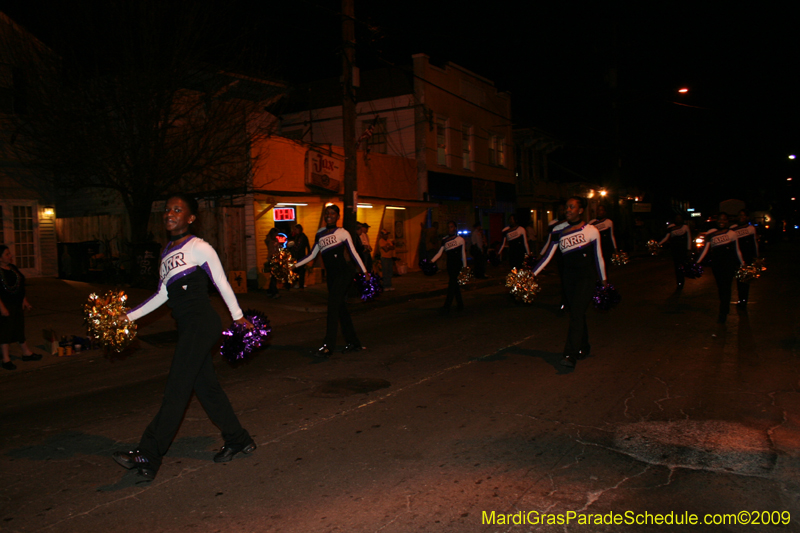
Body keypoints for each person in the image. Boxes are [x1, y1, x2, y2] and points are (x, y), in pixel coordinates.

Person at [113, 194, 256, 481]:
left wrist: (238, 316)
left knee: (177, 388)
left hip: (202, 324)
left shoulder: (199, 247)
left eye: (178, 210)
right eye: (167, 209)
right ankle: (238, 438)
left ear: (190, 218)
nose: (170, 214)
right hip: (188, 328)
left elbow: (221, 281)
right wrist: (126, 317)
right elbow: (162, 294)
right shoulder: (166, 253)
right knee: (206, 389)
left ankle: (148, 454)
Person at [532, 197, 608, 368]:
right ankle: (584, 346)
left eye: (571, 207)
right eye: (566, 207)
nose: (567, 210)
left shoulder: (591, 230)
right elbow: (548, 256)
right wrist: (531, 274)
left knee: (576, 314)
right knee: (577, 313)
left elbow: (598, 256)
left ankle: (570, 354)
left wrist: (603, 279)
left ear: (580, 210)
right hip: (569, 278)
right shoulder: (559, 231)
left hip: (586, 277)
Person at [293, 205, 369, 356]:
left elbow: (353, 252)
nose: (329, 215)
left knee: (332, 307)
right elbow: (312, 255)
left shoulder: (342, 232)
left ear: (337, 216)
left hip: (344, 273)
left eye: (332, 213)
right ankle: (354, 343)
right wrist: (294, 265)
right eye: (327, 213)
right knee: (341, 309)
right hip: (332, 276)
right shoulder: (320, 234)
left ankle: (328, 346)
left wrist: (365, 271)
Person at [695, 212, 744, 324]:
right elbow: (706, 249)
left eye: (724, 220)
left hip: (729, 264)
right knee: (721, 288)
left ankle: (723, 312)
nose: (722, 222)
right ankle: (723, 308)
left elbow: (737, 250)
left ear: (727, 221)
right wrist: (697, 262)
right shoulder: (711, 233)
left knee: (726, 288)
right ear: (717, 221)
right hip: (717, 265)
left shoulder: (732, 233)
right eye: (720, 220)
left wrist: (742, 263)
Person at [0, 245, 43, 371]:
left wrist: (24, 300)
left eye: (9, 254)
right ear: (0, 258)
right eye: (7, 254)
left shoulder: (12, 268)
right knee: (5, 331)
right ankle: (6, 359)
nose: (10, 256)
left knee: (18, 328)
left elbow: (20, 285)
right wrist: (2, 308)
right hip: (5, 305)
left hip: (16, 304)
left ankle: (26, 353)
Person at [431, 221, 467, 313]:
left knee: (452, 284)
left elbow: (463, 254)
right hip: (450, 264)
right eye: (448, 227)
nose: (449, 228)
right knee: (455, 285)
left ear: (455, 228)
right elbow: (440, 253)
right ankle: (460, 304)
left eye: (451, 227)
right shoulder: (445, 240)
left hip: (457, 264)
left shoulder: (460, 239)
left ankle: (447, 306)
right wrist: (431, 261)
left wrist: (465, 267)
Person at [658, 213, 692, 291]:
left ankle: (684, 276)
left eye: (680, 218)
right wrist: (658, 244)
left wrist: (689, 249)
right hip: (675, 249)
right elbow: (666, 237)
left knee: (683, 264)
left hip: (683, 249)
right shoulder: (671, 227)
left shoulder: (685, 227)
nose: (678, 219)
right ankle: (679, 282)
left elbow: (689, 238)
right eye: (677, 218)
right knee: (677, 266)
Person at [733, 210, 759, 308]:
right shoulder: (733, 228)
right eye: (740, 215)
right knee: (739, 279)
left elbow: (754, 243)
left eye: (743, 215)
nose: (741, 217)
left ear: (747, 217)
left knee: (746, 280)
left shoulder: (751, 228)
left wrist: (756, 257)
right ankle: (740, 299)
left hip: (748, 257)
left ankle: (744, 300)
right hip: (737, 257)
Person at [589, 204, 617, 268]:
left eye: (601, 210)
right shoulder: (592, 222)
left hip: (606, 247)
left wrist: (615, 248)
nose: (599, 212)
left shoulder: (609, 222)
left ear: (604, 212)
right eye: (598, 210)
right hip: (597, 246)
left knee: (605, 264)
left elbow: (612, 235)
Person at [288, 224, 310, 289]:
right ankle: (298, 284)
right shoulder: (297, 236)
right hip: (297, 256)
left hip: (300, 256)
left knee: (300, 270)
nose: (295, 231)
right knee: (297, 270)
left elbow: (299, 247)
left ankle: (300, 285)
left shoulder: (302, 237)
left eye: (296, 229)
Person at [265, 228, 281, 299]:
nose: (277, 235)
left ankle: (270, 291)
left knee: (274, 277)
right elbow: (272, 251)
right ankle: (275, 292)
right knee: (274, 277)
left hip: (276, 259)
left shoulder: (275, 241)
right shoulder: (270, 241)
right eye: (276, 234)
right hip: (272, 260)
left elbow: (277, 249)